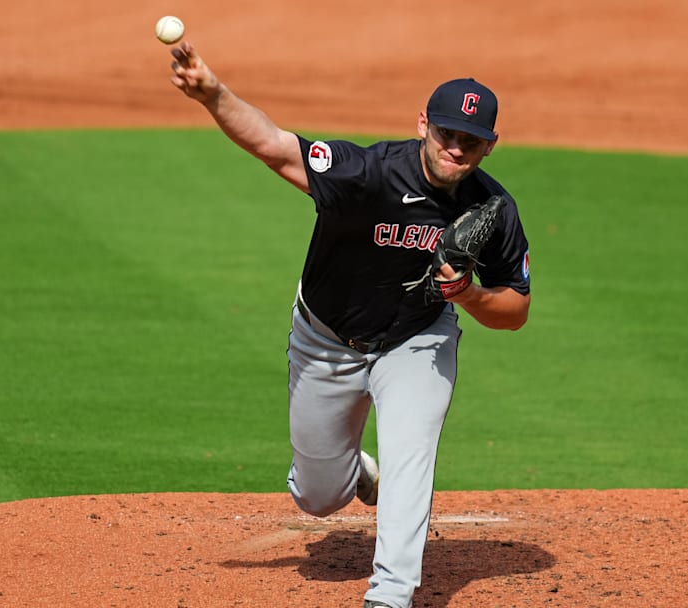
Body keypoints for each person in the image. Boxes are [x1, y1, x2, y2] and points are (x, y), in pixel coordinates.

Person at [168, 41, 531, 608]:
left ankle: (390, 594)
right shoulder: (369, 174)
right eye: (446, 134)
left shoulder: (493, 209)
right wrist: (213, 94)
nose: (456, 148)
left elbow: (515, 310)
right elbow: (274, 146)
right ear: (423, 126)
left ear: (490, 144)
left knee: (412, 451)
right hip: (326, 338)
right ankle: (353, 469)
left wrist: (469, 294)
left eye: (471, 140)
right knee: (316, 497)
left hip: (418, 339)